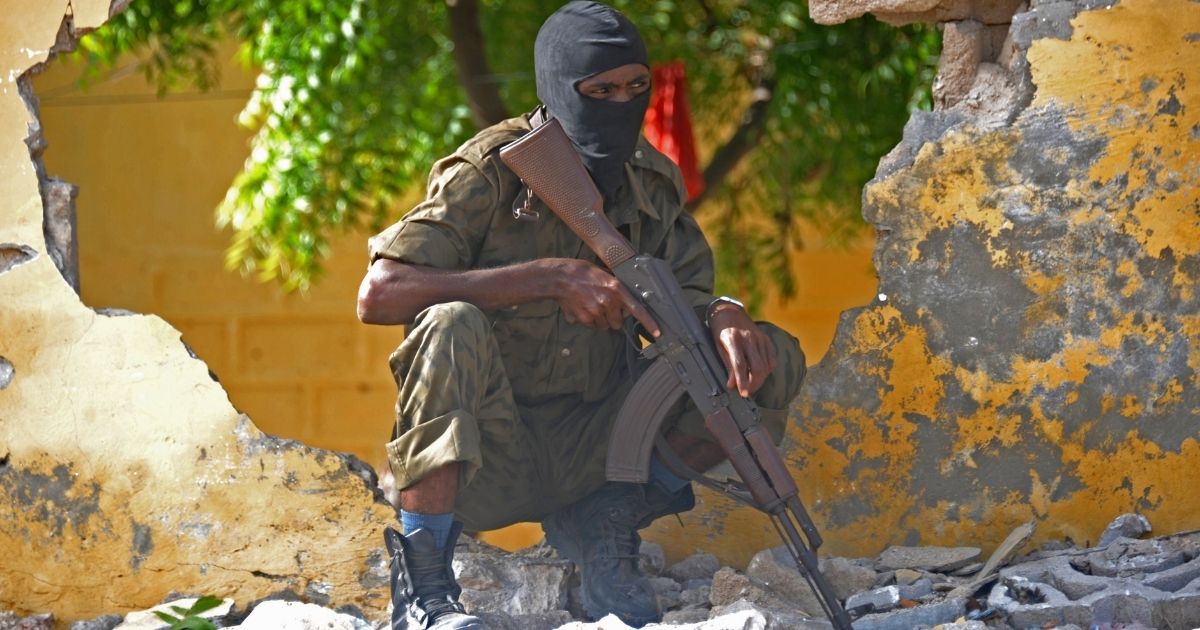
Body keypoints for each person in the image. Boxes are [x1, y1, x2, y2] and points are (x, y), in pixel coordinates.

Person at [357, 3, 805, 628]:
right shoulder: (492, 170)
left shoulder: (650, 180)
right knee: (449, 322)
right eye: (599, 91)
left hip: (598, 451)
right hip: (487, 454)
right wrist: (545, 278)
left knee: (767, 356)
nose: (620, 103)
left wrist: (726, 313)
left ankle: (605, 521)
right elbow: (380, 293)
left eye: (635, 88)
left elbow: (688, 293)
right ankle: (426, 588)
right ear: (558, 90)